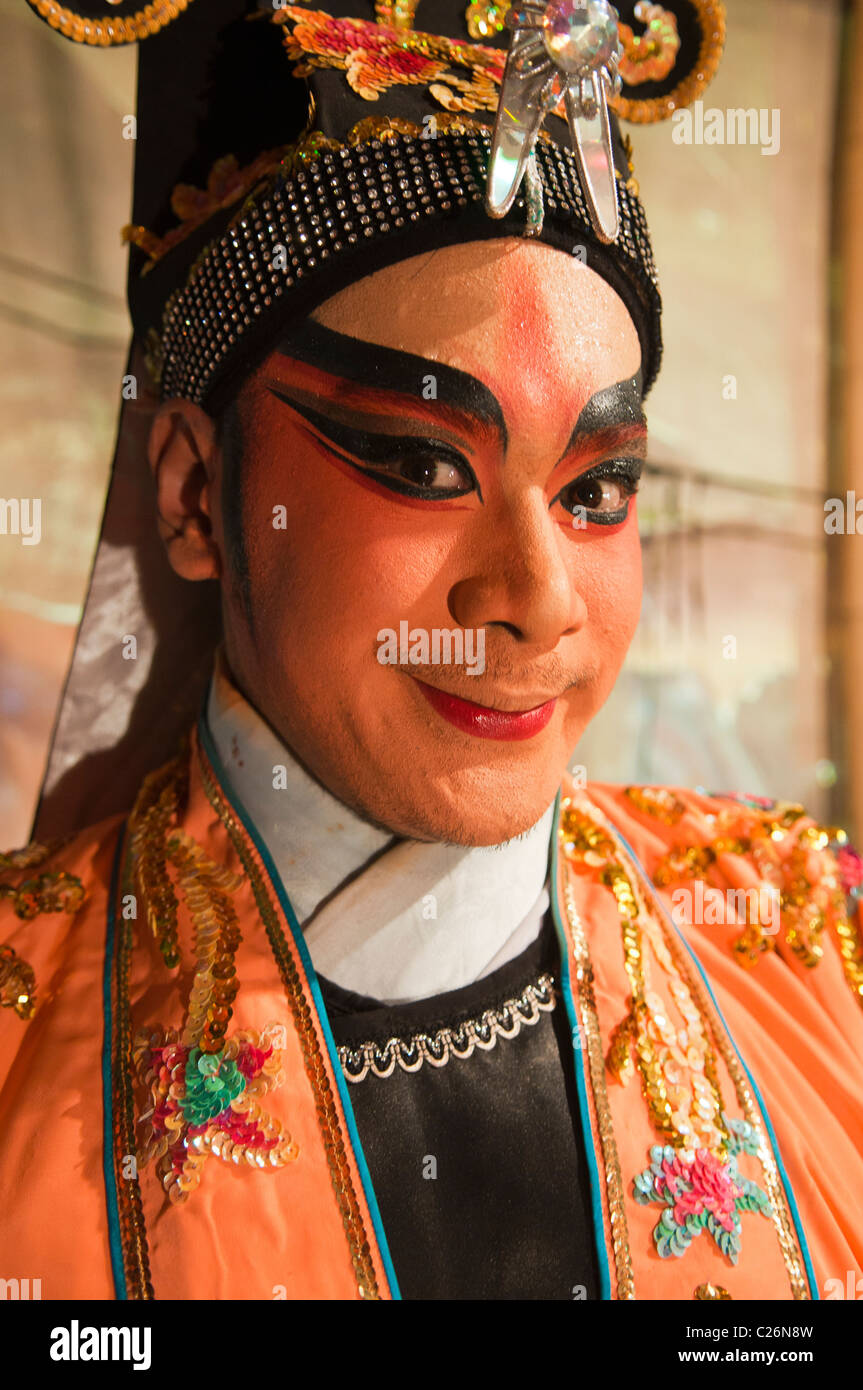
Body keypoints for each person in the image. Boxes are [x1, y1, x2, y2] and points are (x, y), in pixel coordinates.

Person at [2, 0, 861, 1301]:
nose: (538, 599)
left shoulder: (817, 947)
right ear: (192, 495)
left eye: (598, 487)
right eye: (419, 462)